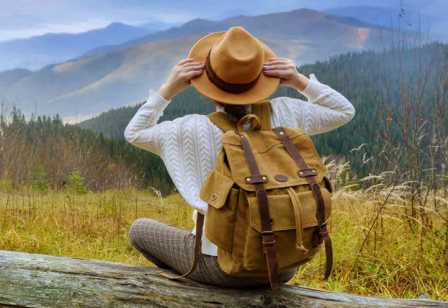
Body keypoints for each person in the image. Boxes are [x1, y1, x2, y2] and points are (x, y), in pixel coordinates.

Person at [124, 26, 355, 287]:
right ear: (262, 80)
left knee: (140, 229)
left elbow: (135, 132)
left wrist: (169, 88)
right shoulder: (286, 114)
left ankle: (198, 291)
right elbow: (343, 111)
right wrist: (298, 80)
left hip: (221, 267)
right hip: (283, 264)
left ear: (203, 86)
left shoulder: (189, 129)